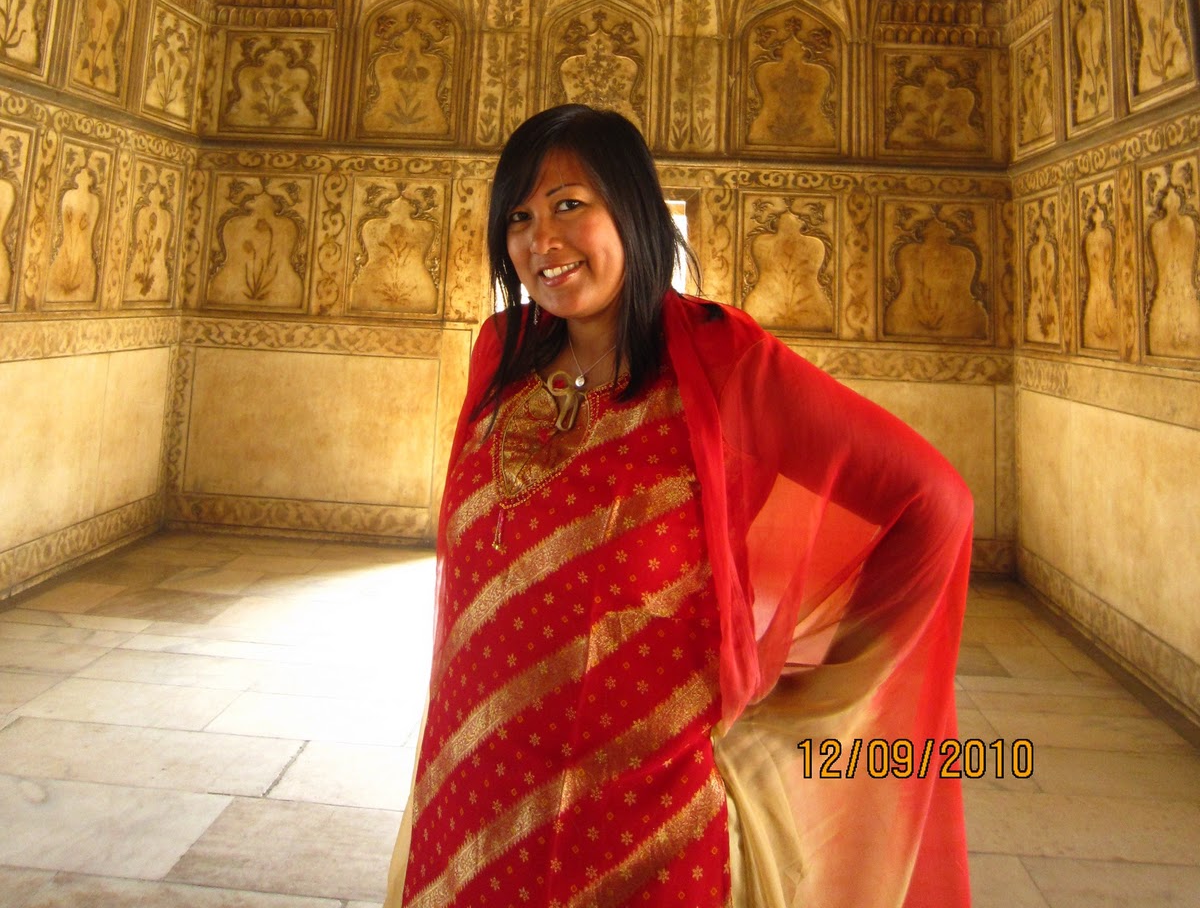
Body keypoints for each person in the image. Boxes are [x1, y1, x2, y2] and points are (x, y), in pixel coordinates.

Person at [386, 104, 974, 908]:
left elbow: (932, 501)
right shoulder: (503, 351)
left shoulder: (720, 362)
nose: (540, 241)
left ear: (632, 209)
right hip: (474, 798)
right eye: (518, 218)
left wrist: (811, 695)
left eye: (568, 205)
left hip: (645, 825)